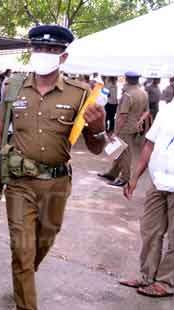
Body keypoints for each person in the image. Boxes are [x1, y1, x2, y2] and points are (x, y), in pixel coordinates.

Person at [0, 25, 106, 310]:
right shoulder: (12, 86)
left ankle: (25, 274)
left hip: (56, 184)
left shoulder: (80, 94)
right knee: (22, 250)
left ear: (63, 57)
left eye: (52, 50)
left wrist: (99, 129)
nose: (44, 54)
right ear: (32, 52)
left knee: (44, 241)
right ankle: (25, 299)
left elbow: (96, 148)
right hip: (19, 182)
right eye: (39, 48)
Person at [121, 104, 174, 298]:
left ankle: (167, 282)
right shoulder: (168, 109)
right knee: (150, 230)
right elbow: (150, 144)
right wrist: (135, 177)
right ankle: (147, 276)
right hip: (158, 181)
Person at [99, 71, 149, 187]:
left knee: (124, 153)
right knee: (120, 150)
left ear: (127, 79)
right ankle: (112, 173)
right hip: (135, 126)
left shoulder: (128, 95)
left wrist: (115, 132)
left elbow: (122, 115)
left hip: (125, 127)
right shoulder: (143, 93)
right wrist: (140, 120)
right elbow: (147, 111)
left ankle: (124, 178)